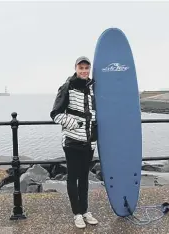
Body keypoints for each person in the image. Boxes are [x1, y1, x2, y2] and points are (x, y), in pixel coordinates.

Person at [50, 56, 98, 228]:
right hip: (72, 141)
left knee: (85, 177)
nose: (84, 71)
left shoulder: (94, 88)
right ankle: (76, 213)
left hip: (89, 142)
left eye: (87, 68)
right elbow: (55, 114)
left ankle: (85, 211)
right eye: (81, 68)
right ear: (76, 68)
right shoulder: (67, 87)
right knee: (73, 177)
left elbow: (96, 112)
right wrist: (74, 123)